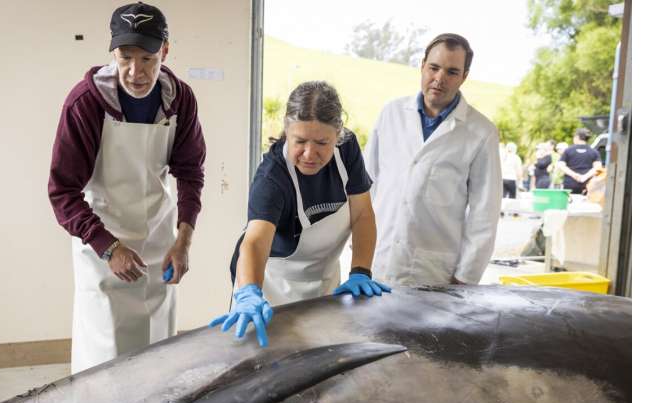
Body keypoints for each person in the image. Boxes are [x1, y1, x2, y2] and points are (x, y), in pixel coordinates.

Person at [48, 2, 206, 374]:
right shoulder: (86, 103)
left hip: (158, 244)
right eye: (125, 57)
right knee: (106, 360)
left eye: (148, 59)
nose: (136, 72)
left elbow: (190, 173)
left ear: (165, 52)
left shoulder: (179, 100)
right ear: (113, 52)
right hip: (102, 246)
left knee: (158, 354)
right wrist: (109, 248)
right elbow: (62, 192)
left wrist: (183, 242)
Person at [209, 81, 390, 347]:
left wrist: (360, 271)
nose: (309, 153)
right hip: (271, 288)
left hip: (326, 281)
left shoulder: (347, 150)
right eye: (300, 141)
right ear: (286, 131)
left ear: (338, 134)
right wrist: (249, 292)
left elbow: (362, 213)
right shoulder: (272, 177)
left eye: (321, 143)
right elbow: (256, 241)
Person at [364, 33, 501, 286]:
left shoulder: (481, 132)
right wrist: (359, 247)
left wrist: (465, 277)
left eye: (451, 72)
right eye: (434, 68)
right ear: (422, 66)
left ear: (464, 76)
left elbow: (485, 213)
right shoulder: (391, 113)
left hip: (433, 273)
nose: (439, 79)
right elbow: (366, 184)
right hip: (378, 259)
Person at [557, 128, 602, 194]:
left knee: (571, 203)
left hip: (570, 184)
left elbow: (561, 165)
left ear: (577, 137)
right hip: (587, 184)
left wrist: (574, 175)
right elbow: (598, 167)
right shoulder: (594, 152)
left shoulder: (568, 150)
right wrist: (584, 177)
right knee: (586, 203)